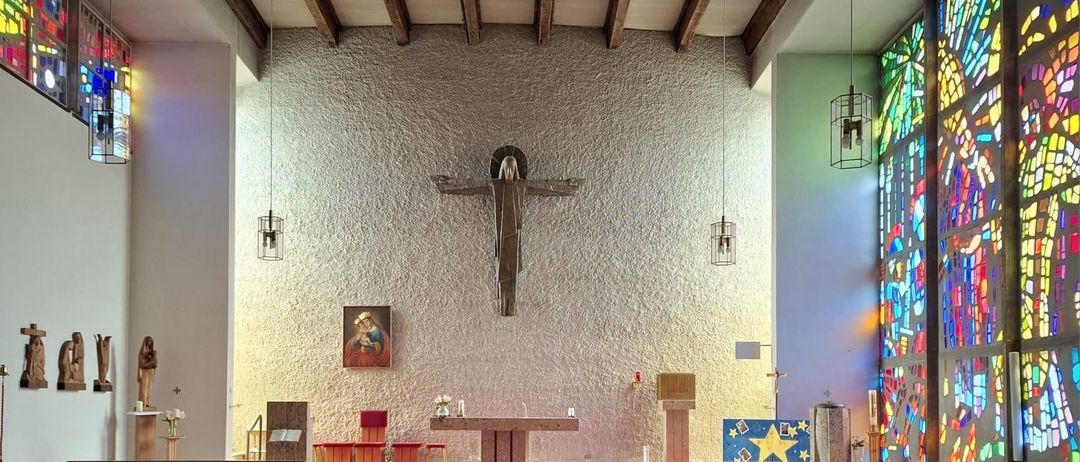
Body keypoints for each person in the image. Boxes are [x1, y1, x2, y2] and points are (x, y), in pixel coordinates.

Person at [137, 336, 157, 407]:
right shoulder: (142, 352)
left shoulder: (152, 352)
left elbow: (155, 363)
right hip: (144, 371)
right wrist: (149, 362)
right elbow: (141, 363)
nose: (149, 343)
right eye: (148, 341)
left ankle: (147, 402)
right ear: (145, 342)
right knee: (144, 387)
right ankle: (143, 402)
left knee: (149, 387)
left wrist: (152, 360)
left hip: (150, 370)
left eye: (150, 342)